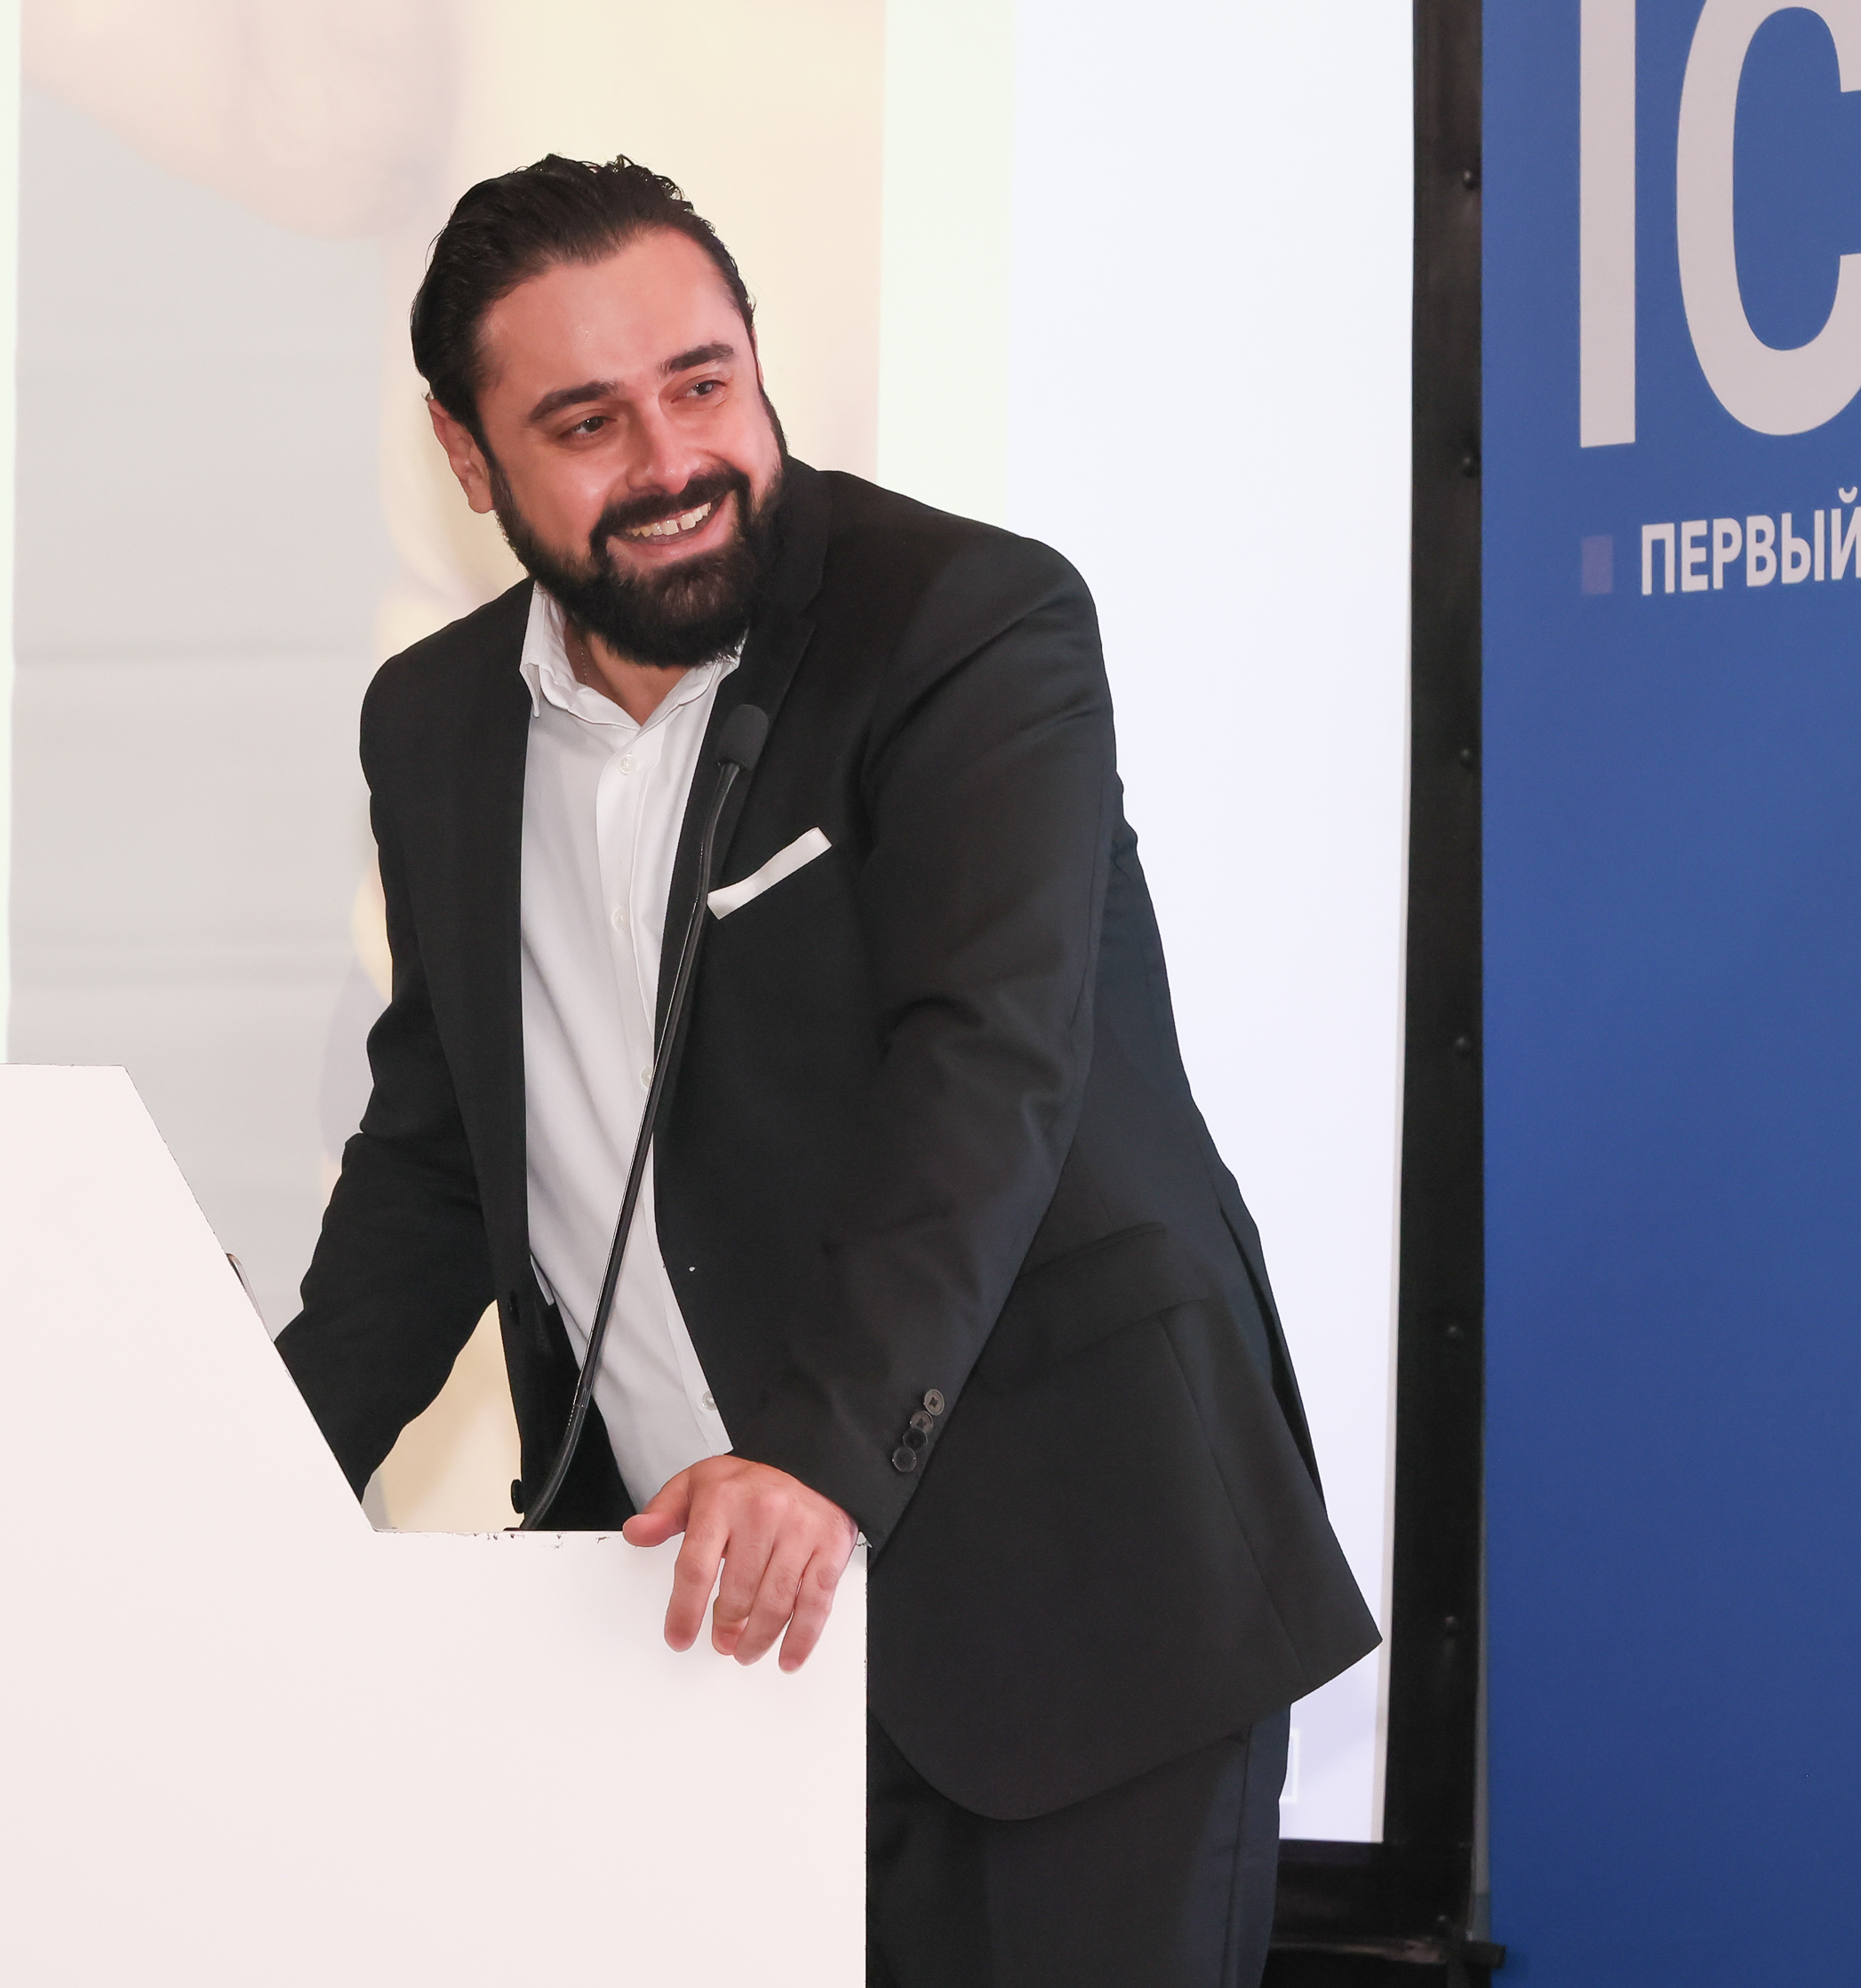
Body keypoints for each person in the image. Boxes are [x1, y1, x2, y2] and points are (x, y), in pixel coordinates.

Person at [276, 156, 1378, 1987]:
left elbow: (985, 1066)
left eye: (702, 383)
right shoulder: (436, 721)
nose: (673, 459)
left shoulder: (964, 623)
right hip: (682, 1639)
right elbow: (444, 1152)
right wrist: (250, 1480)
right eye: (587, 422)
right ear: (467, 458)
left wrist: (816, 1456)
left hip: (1069, 1597)